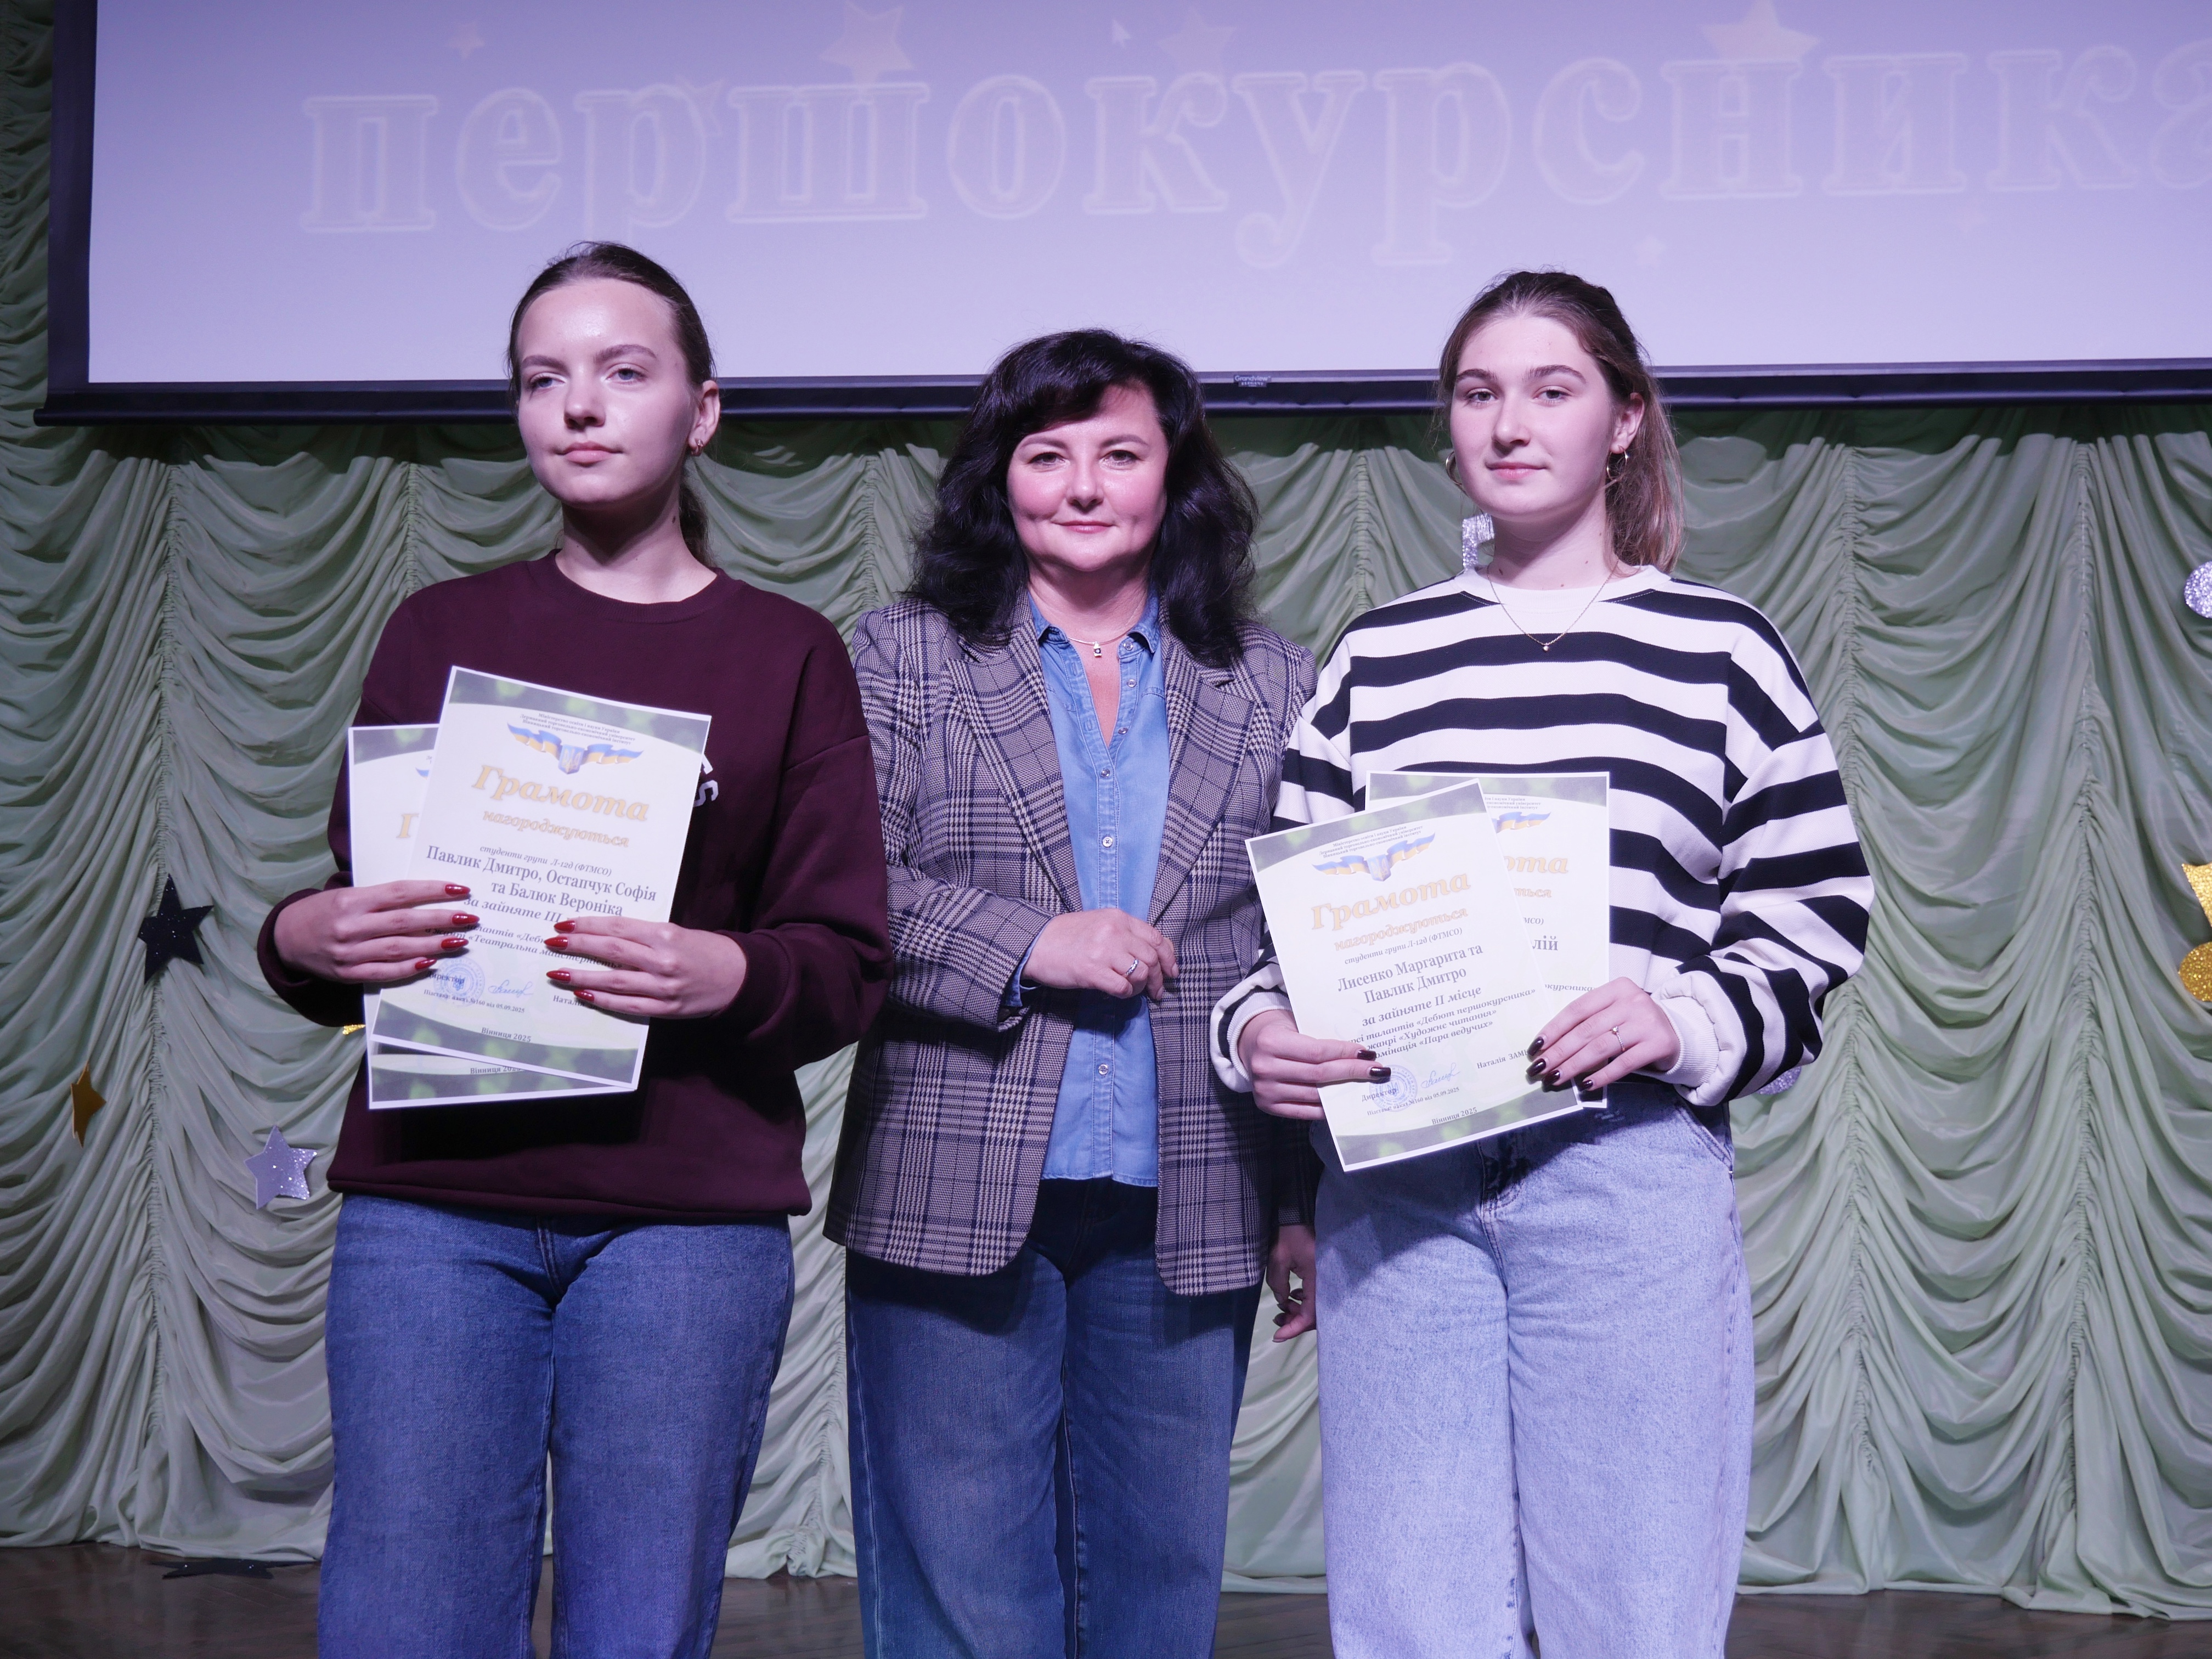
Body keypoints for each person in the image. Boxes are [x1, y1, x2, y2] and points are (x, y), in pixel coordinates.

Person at [1215, 271, 1873, 1658]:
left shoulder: (1720, 649)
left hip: (1623, 1175)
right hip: (1401, 1189)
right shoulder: (1383, 655)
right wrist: (1260, 1030)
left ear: (1625, 419)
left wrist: (1679, 1017)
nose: (1509, 424)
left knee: (1633, 1615)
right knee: (1414, 1620)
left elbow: (1812, 914)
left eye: (1551, 389)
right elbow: (1286, 927)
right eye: (1478, 393)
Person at [258, 242, 891, 1659]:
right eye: (543, 379)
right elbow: (360, 906)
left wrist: (725, 972)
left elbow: (845, 957)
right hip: (433, 1208)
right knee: (405, 1620)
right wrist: (299, 936)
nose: (579, 405)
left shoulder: (786, 653)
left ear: (702, 411)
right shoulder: (440, 627)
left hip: (682, 1220)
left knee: (638, 1628)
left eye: (623, 371)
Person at [829, 330, 1319, 1657]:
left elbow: (1298, 947)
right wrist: (1026, 943)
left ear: (1177, 475)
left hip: (1193, 1190)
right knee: (963, 1593)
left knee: (1159, 1584)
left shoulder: (1273, 679)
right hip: (950, 1175)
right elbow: (840, 888)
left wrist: (1299, 1197)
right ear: (1000, 478)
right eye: (1047, 455)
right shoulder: (904, 656)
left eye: (1120, 453)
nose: (1085, 486)